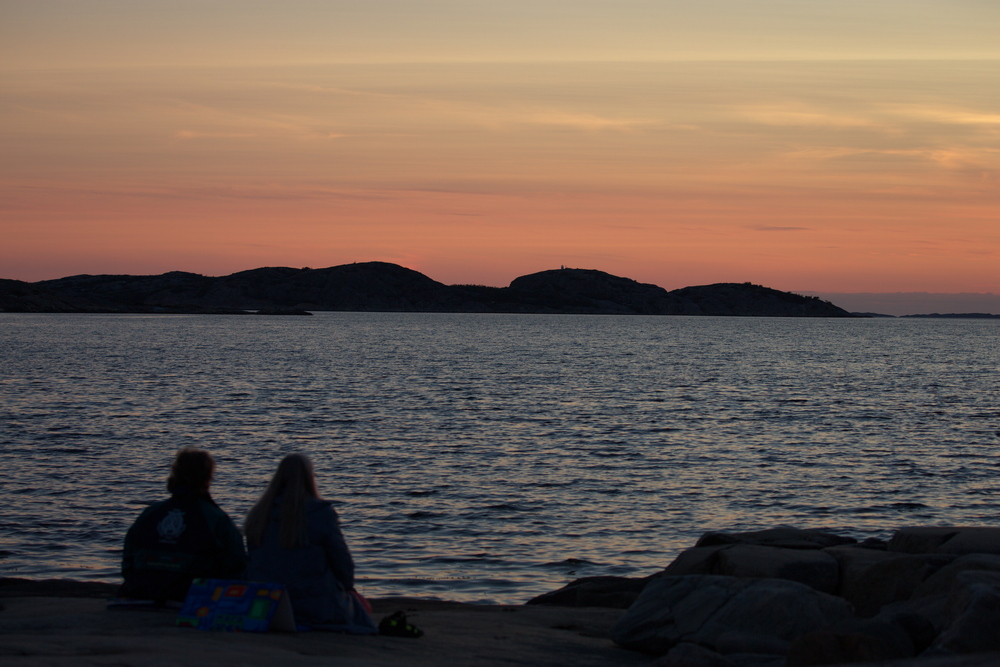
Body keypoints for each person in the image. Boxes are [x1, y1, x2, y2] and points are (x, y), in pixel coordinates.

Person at [244, 453, 376, 633]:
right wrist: (347, 587)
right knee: (361, 607)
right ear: (309, 478)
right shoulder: (320, 513)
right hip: (314, 604)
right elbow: (342, 563)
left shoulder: (257, 515)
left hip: (268, 602)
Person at [119, 447, 248, 604]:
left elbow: (128, 560)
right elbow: (237, 565)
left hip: (142, 592)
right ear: (208, 476)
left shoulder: (150, 514)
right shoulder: (216, 518)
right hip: (191, 596)